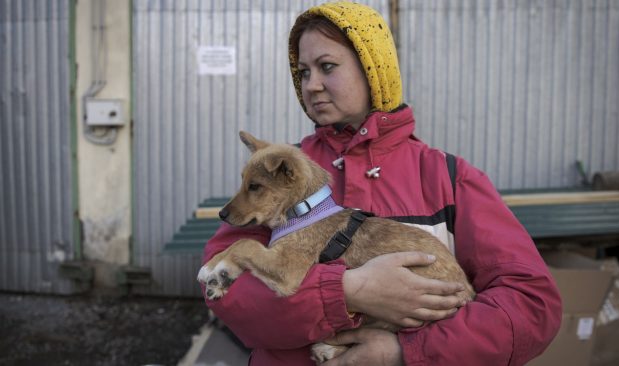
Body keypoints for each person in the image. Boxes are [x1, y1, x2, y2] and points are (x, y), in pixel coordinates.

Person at [202, 2, 562, 365]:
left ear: (373, 69)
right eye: (303, 71)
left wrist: (406, 352)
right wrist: (347, 292)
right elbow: (230, 299)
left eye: (327, 67)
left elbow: (531, 307)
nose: (311, 85)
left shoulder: (449, 178)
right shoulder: (281, 175)